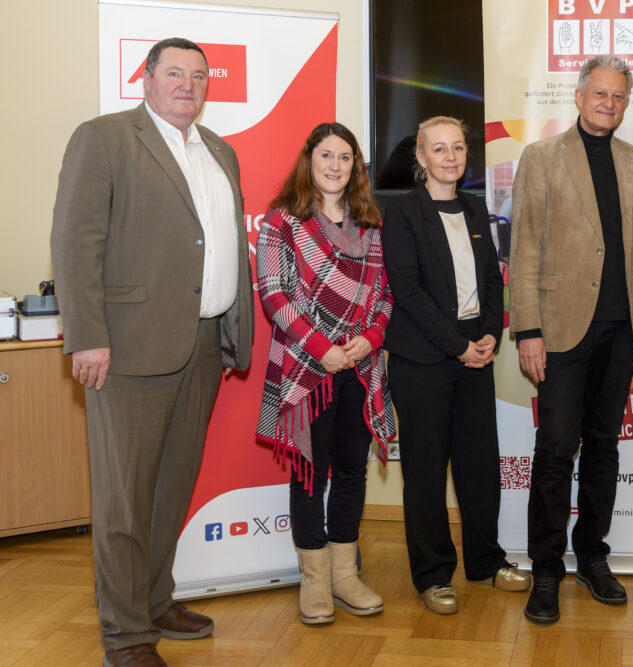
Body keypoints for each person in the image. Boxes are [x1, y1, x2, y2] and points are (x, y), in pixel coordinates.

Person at [50, 37, 254, 666]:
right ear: (146, 77)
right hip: (128, 349)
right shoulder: (104, 137)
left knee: (170, 488)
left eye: (198, 75)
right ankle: (124, 633)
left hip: (202, 344)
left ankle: (155, 598)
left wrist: (230, 331)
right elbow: (75, 242)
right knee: (124, 497)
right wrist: (86, 336)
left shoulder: (220, 150)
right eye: (174, 73)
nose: (187, 84)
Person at [509, 55, 633, 624]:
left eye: (619, 96)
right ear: (578, 97)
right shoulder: (541, 157)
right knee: (553, 452)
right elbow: (523, 249)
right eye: (600, 94)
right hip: (561, 330)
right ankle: (546, 568)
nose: (609, 104)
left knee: (603, 448)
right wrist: (528, 329)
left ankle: (593, 556)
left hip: (622, 333)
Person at [381, 116, 530, 615]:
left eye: (458, 148)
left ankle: (486, 561)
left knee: (479, 465)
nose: (450, 157)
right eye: (438, 149)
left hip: (475, 352)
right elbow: (409, 292)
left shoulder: (474, 207)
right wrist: (457, 346)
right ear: (420, 158)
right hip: (423, 358)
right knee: (425, 471)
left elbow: (492, 279)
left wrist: (490, 332)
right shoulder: (401, 214)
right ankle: (433, 574)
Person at [255, 122, 395, 624]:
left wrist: (369, 340)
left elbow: (385, 297)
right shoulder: (282, 222)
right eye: (326, 156)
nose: (335, 166)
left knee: (352, 469)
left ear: (355, 165)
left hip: (360, 368)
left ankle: (344, 575)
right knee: (310, 473)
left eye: (345, 158)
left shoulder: (371, 221)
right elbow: (274, 293)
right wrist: (322, 348)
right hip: (306, 369)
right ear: (309, 160)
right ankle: (314, 580)